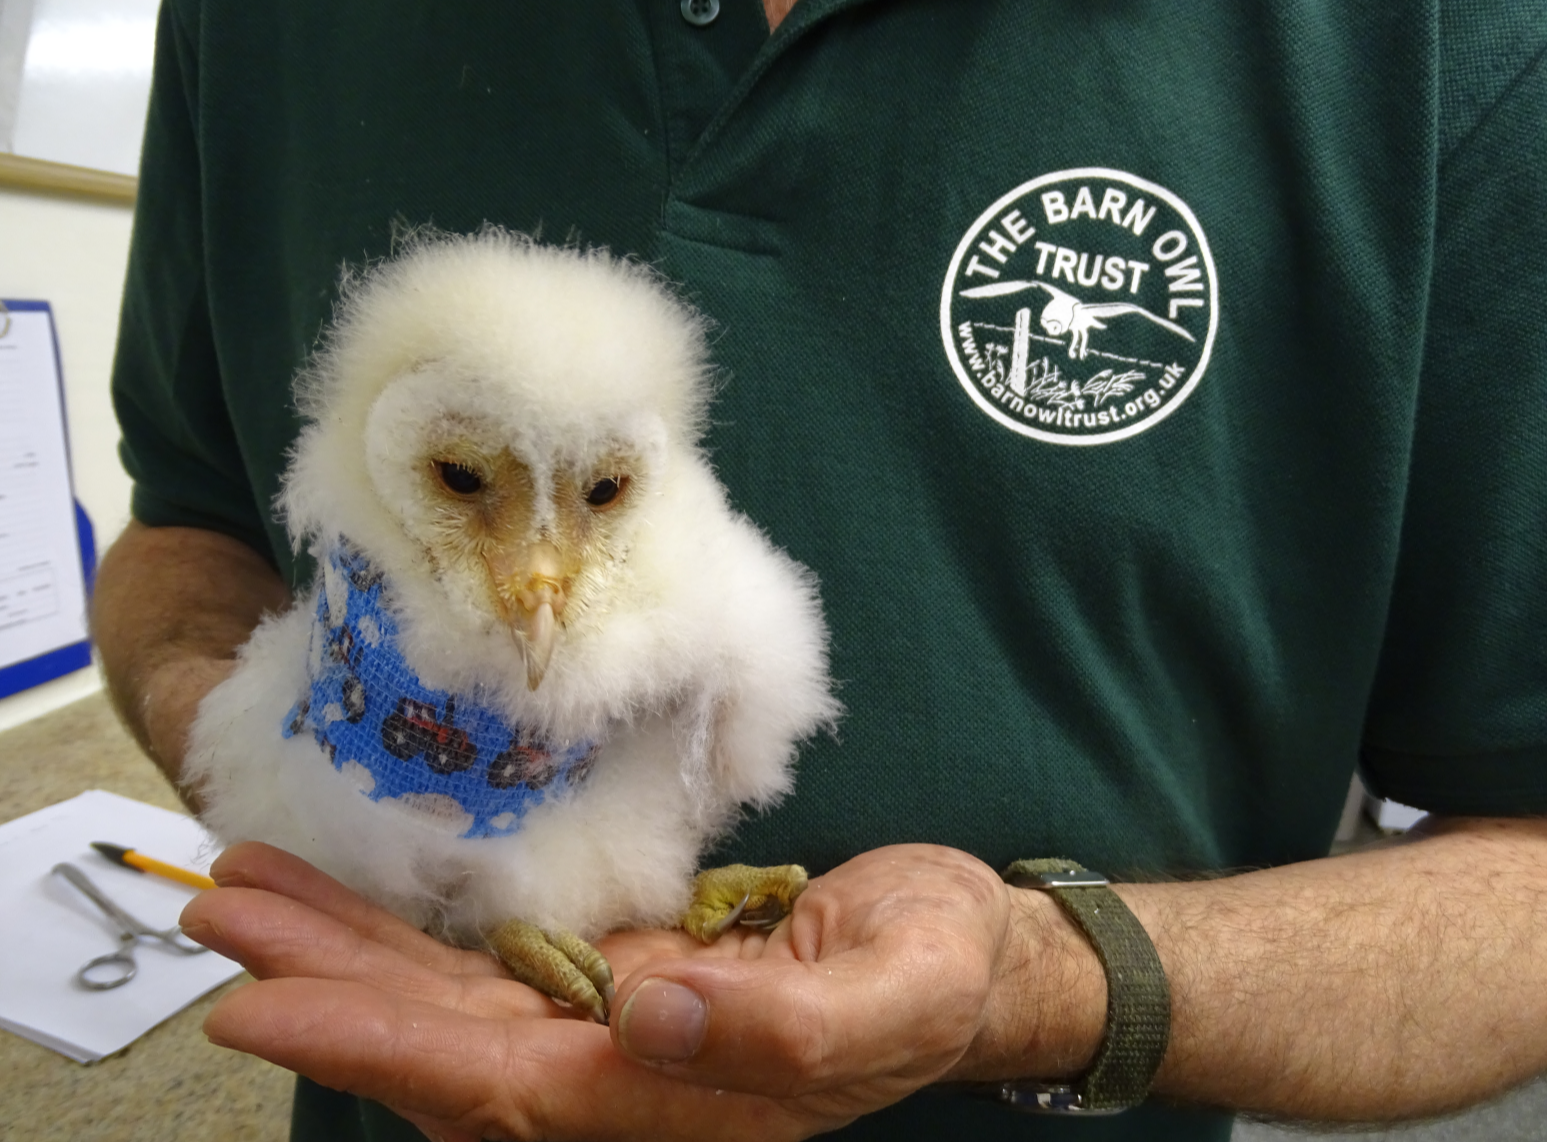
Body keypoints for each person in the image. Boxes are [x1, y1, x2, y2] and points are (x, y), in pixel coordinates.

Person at [93, 1, 1547, 1139]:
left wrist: (1037, 975)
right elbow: (187, 527)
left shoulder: (1442, 37)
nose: (538, 557)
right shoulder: (263, 17)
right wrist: (282, 777)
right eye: (464, 479)